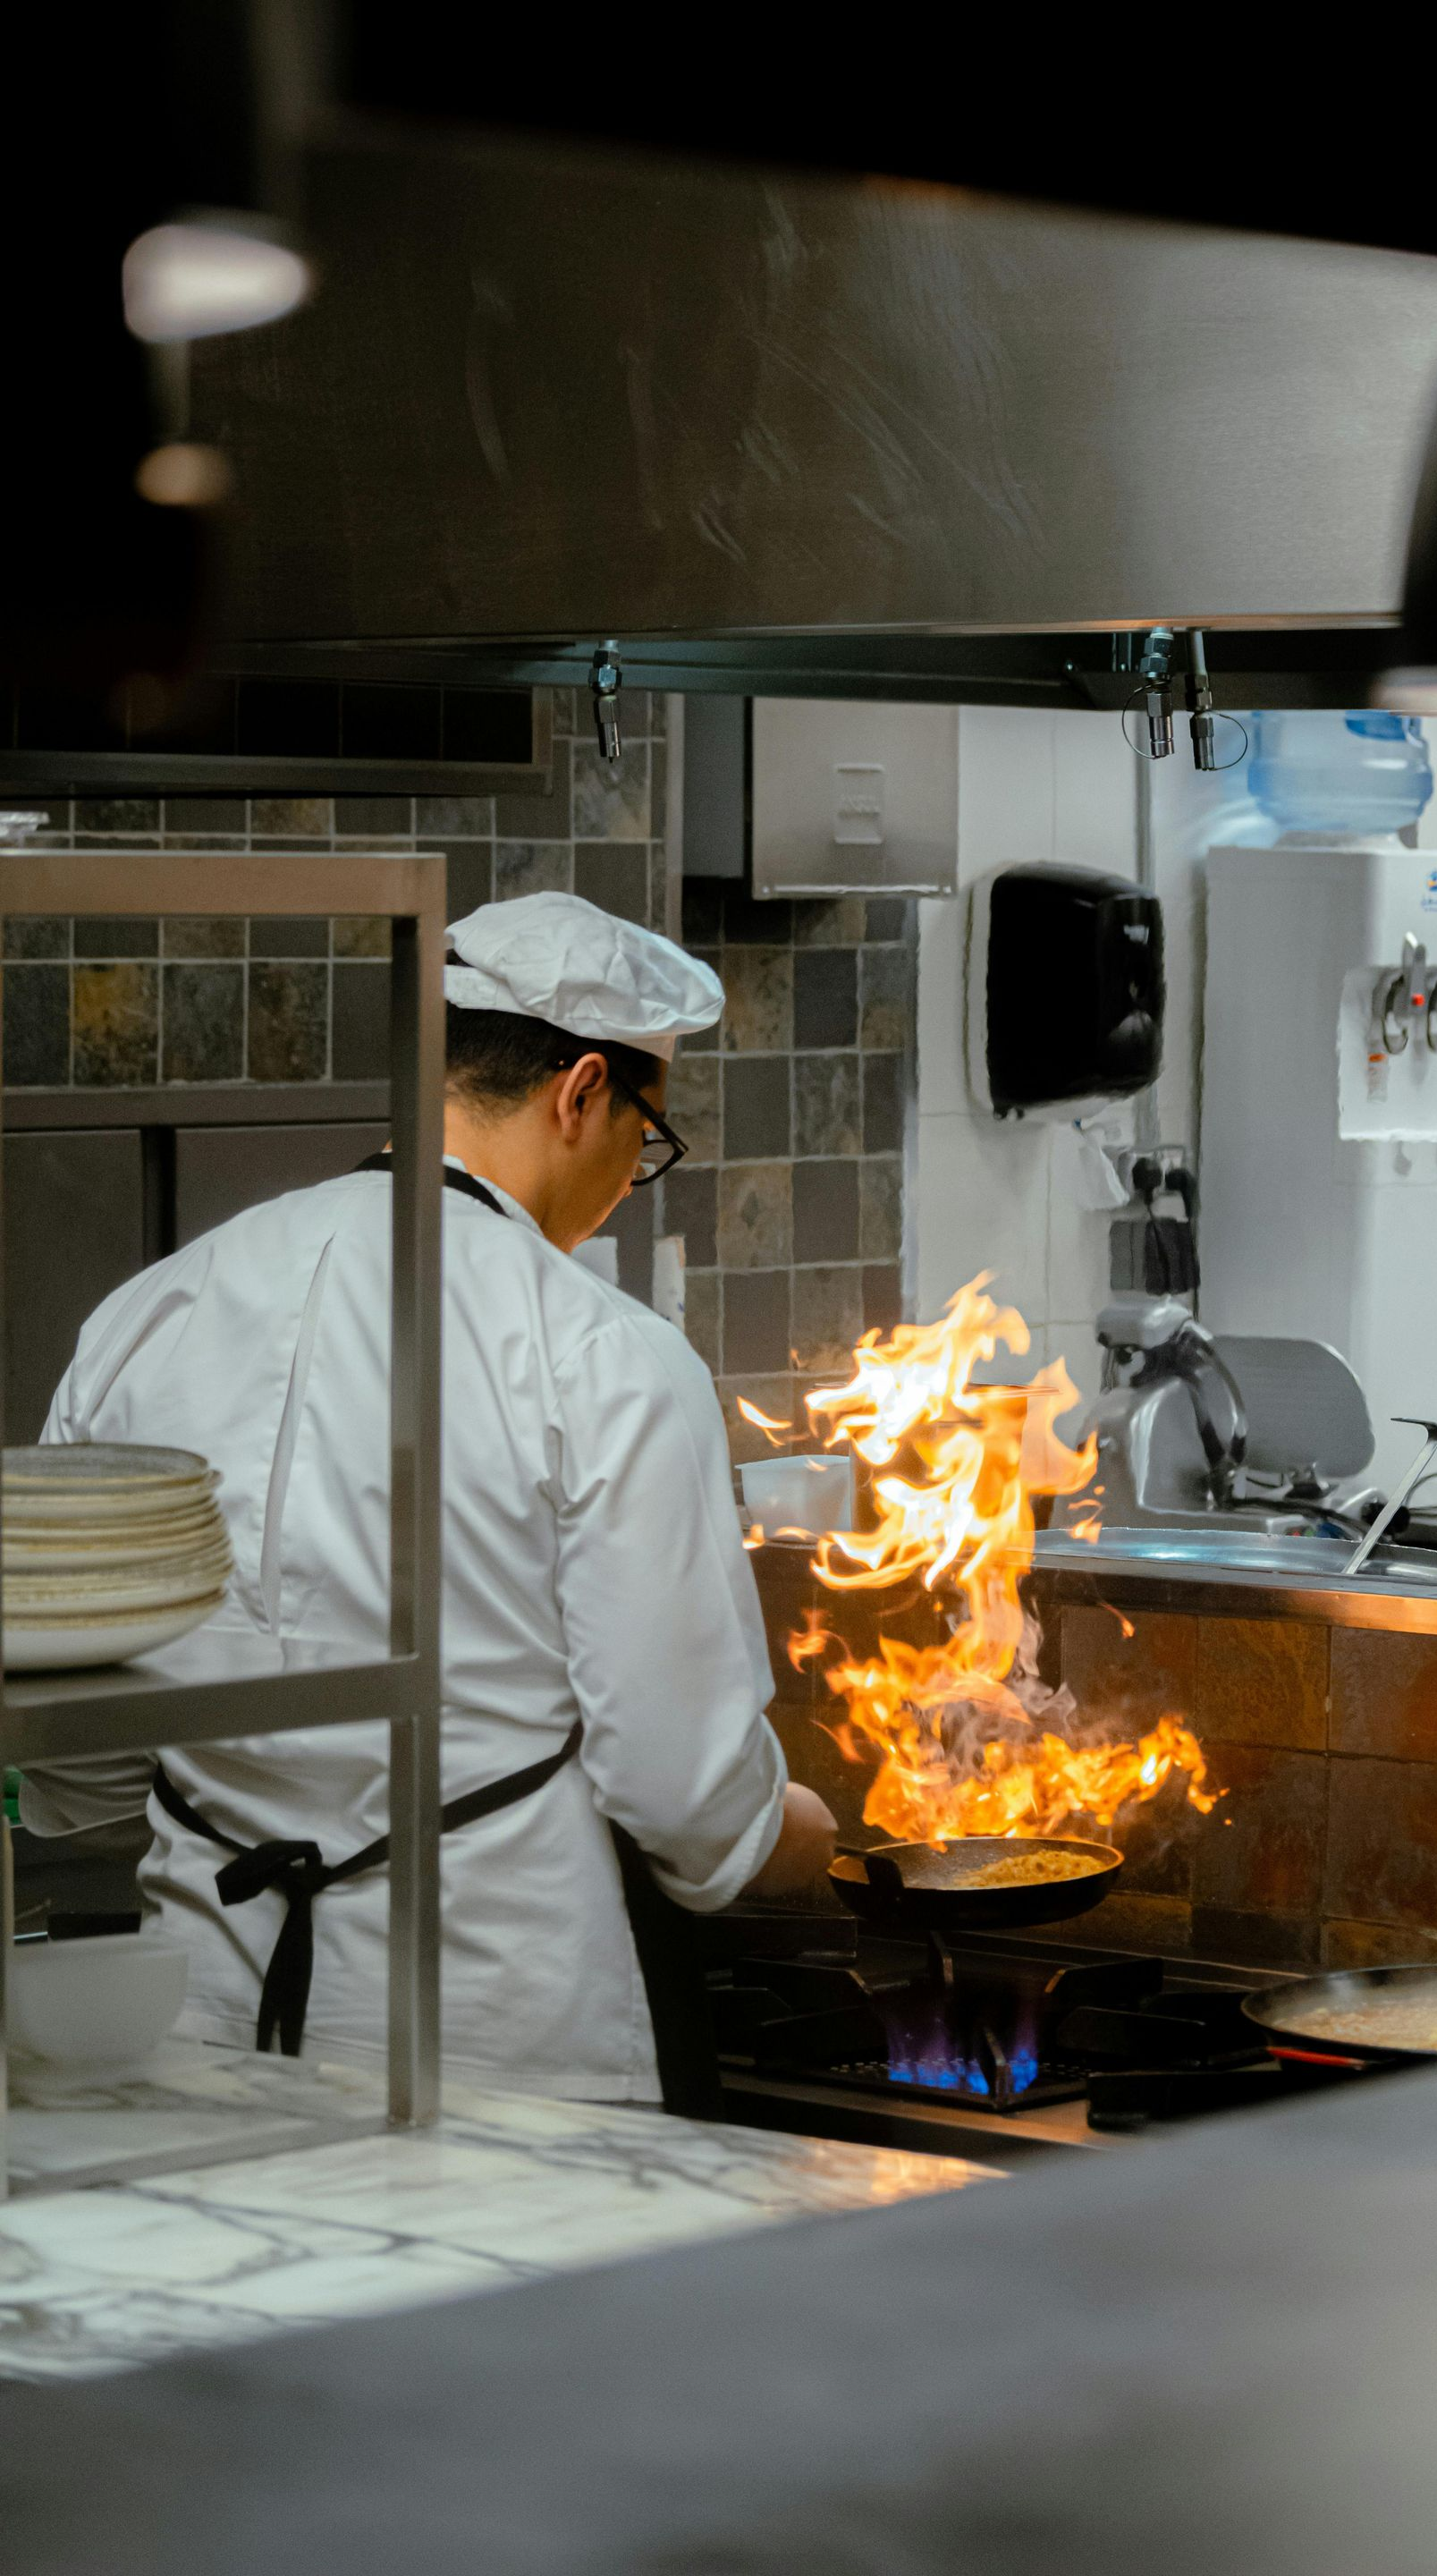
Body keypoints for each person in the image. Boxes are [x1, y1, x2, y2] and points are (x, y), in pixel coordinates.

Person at [21, 893, 836, 2102]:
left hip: (201, 2012)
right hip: (498, 2038)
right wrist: (787, 1837)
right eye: (643, 1138)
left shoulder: (157, 1307)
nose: (629, 1178)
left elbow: (72, 1748)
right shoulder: (602, 1353)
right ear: (582, 1093)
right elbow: (679, 1791)